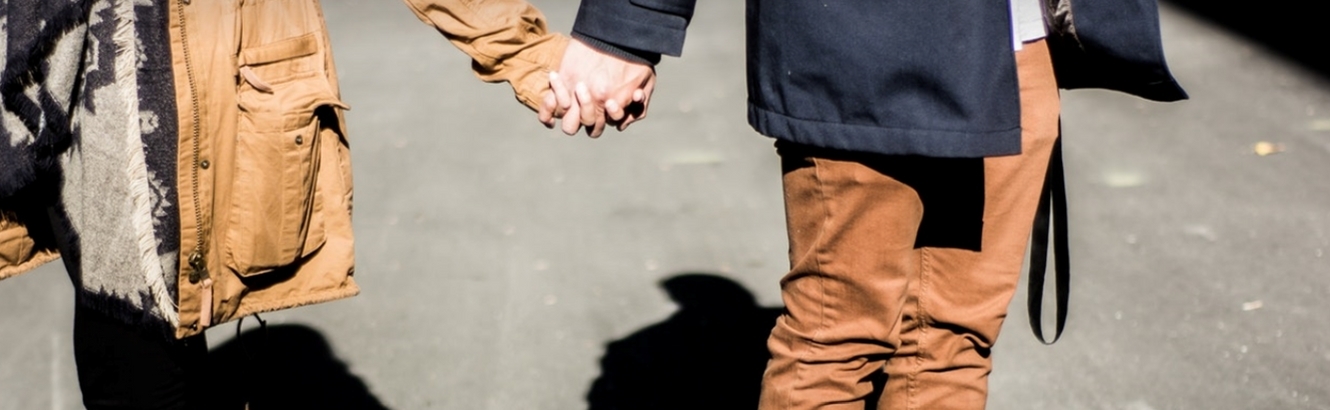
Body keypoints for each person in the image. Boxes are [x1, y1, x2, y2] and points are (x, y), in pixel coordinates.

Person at [543, 0, 1180, 409]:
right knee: (837, 340)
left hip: (1015, 43)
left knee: (955, 340)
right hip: (862, 40)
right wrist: (626, 26)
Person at [0, 1, 626, 408]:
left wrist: (532, 55)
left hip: (162, 100)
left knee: (138, 335)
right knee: (128, 335)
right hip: (39, 76)